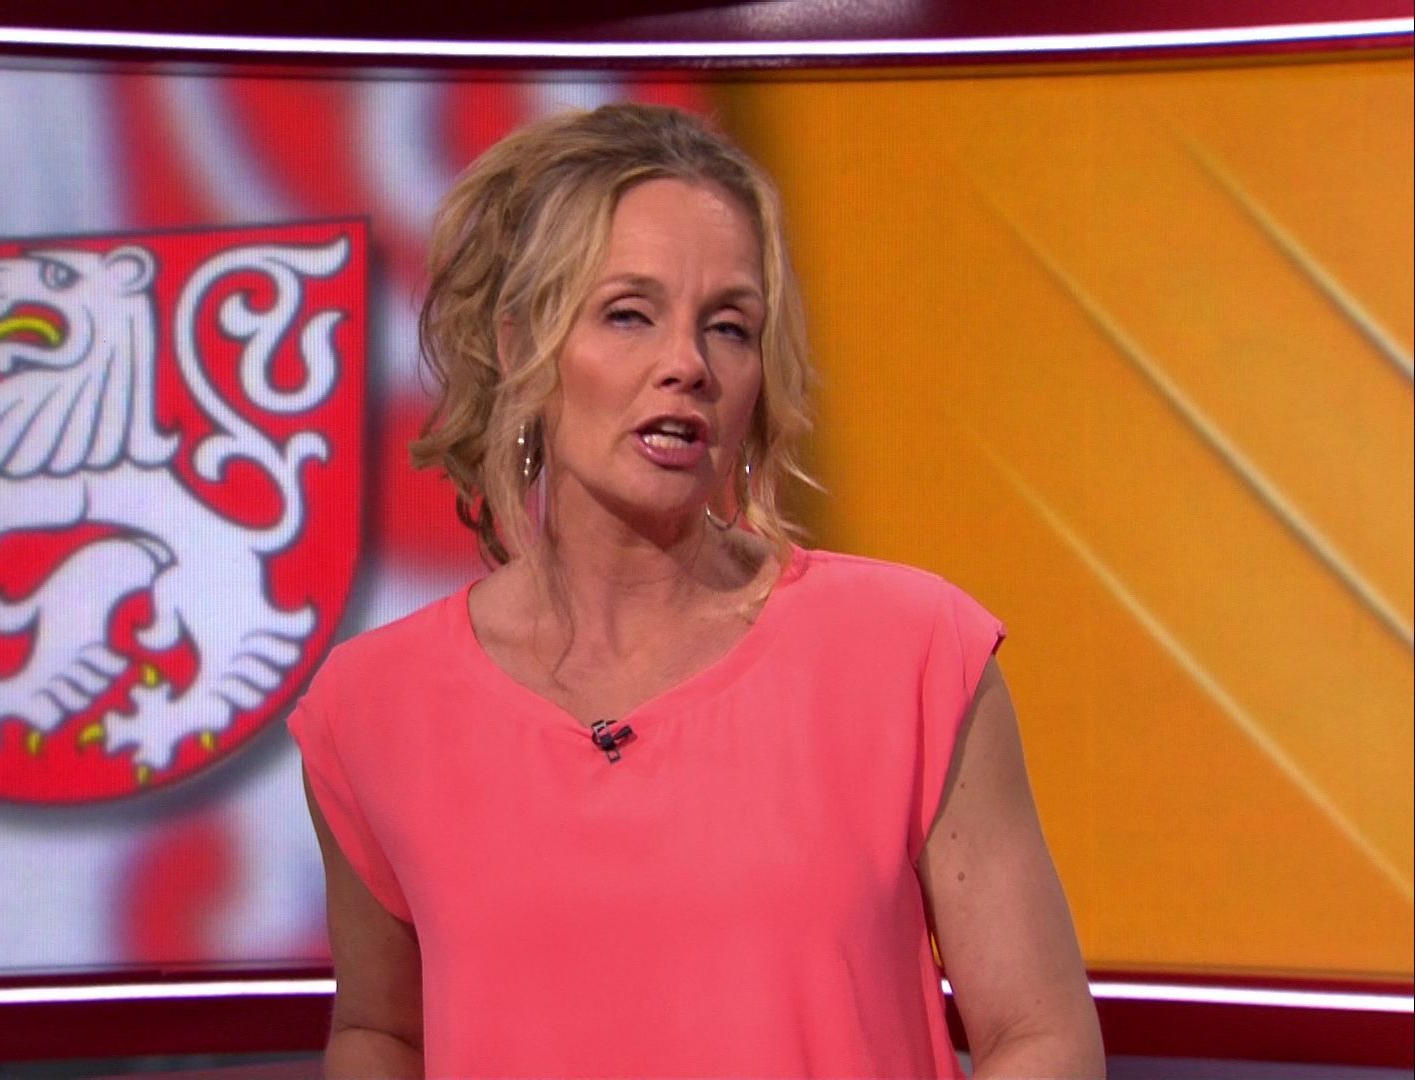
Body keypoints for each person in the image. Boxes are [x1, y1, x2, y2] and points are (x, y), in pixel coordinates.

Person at [287, 103, 1104, 1079]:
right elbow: (383, 1031)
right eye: (629, 314)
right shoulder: (373, 708)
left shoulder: (911, 651)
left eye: (729, 327)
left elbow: (1041, 1037)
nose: (687, 366)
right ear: (520, 344)